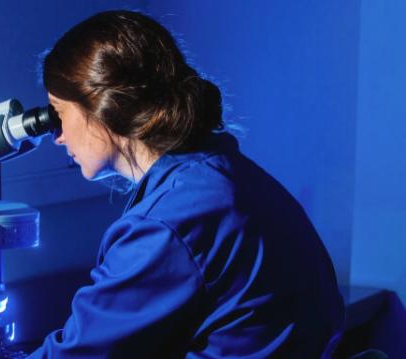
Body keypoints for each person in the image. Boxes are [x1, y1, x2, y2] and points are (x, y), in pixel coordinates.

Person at [28, 10, 344, 358]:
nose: (57, 137)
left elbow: (82, 354)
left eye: (59, 113)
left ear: (104, 106)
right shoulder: (223, 175)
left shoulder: (169, 223)